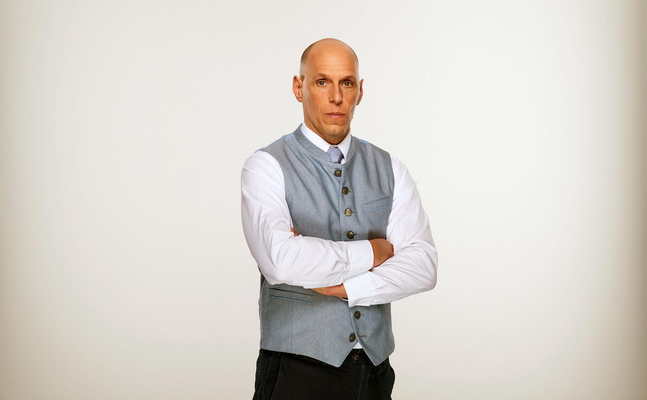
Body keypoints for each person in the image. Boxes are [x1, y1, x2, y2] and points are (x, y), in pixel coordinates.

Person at [241, 38, 438, 400]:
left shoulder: (390, 168)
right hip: (295, 371)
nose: (336, 97)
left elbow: (423, 266)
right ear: (299, 87)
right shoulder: (266, 166)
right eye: (322, 82)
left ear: (359, 91)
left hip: (375, 371)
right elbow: (280, 260)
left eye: (346, 83)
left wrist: (348, 288)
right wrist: (375, 252)